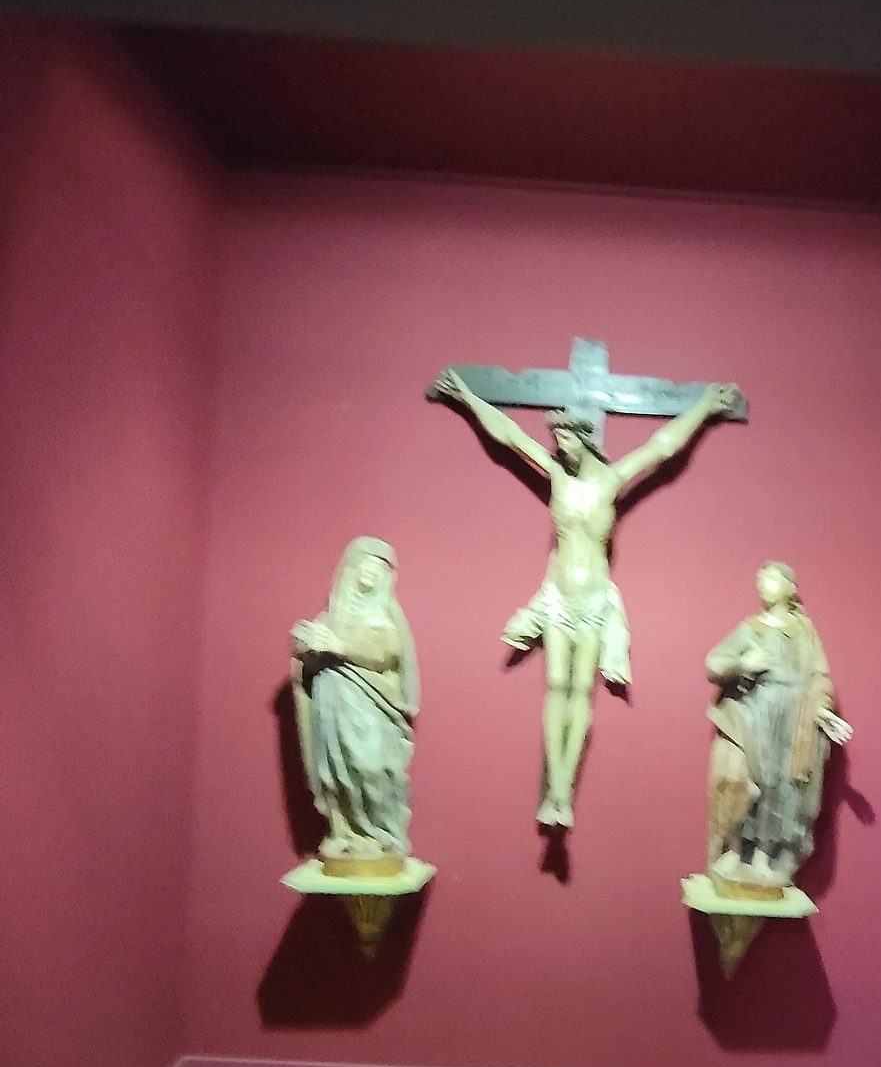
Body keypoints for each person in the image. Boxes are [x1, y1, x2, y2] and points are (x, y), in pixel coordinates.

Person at [434, 368, 740, 827]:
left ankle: (562, 793)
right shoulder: (558, 477)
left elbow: (663, 447)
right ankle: (555, 791)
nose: (560, 447)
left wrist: (705, 408)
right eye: (556, 440)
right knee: (557, 685)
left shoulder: (611, 480)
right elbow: (509, 435)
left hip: (595, 600)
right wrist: (467, 397)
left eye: (566, 439)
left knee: (581, 691)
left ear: (585, 438)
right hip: (558, 598)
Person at [705, 561, 851, 891]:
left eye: (770, 579)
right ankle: (737, 849)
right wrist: (743, 664)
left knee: (782, 787)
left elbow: (818, 676)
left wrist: (822, 710)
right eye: (760, 579)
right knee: (752, 781)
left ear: (789, 588)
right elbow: (713, 663)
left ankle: (765, 856)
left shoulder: (804, 631)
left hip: (793, 717)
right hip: (755, 712)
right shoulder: (750, 629)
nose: (762, 584)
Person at [290, 538, 420, 860]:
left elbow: (387, 652)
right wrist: (304, 644)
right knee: (336, 771)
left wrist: (340, 646)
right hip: (331, 709)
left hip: (371, 707)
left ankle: (381, 835)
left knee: (371, 767)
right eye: (365, 565)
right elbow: (303, 655)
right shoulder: (329, 619)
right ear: (350, 569)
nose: (370, 574)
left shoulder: (385, 618)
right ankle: (344, 832)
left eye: (378, 569)